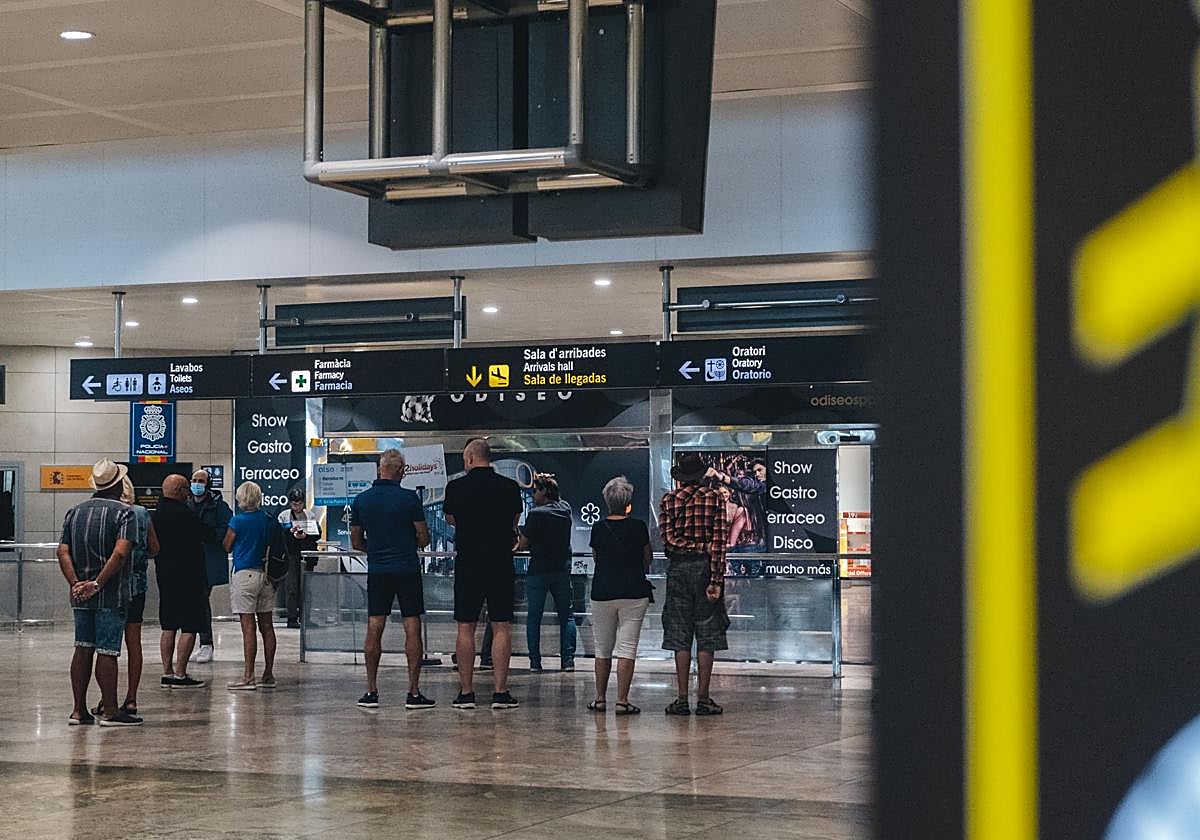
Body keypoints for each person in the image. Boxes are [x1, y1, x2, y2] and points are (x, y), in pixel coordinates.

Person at [55, 459, 140, 726]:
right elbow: (121, 552)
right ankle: (112, 711)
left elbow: (62, 551)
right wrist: (97, 584)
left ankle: (78, 711)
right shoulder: (125, 514)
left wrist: (76, 583)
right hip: (111, 594)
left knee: (82, 648)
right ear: (117, 485)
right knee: (107, 651)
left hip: (80, 595)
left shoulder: (74, 513)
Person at [349, 449, 435, 710]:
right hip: (407, 568)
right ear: (401, 471)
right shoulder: (409, 499)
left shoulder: (362, 501)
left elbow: (355, 540)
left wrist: (374, 549)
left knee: (375, 625)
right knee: (412, 626)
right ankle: (413, 691)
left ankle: (372, 690)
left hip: (378, 570)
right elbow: (424, 537)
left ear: (379, 468)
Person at [442, 438, 523, 710]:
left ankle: (466, 692)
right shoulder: (510, 487)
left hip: (469, 562)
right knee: (501, 625)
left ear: (469, 459)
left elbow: (451, 519)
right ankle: (500, 692)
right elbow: (513, 520)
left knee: (466, 626)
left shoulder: (456, 487)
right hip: (500, 562)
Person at [660, 452, 730, 717]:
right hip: (705, 568)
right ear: (701, 476)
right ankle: (703, 697)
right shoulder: (715, 499)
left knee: (680, 635)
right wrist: (716, 578)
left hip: (677, 570)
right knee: (707, 634)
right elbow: (720, 544)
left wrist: (689, 545)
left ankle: (680, 698)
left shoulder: (669, 500)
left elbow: (668, 541)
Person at [588, 476, 653, 715]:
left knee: (602, 648)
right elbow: (647, 559)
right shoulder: (638, 527)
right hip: (633, 592)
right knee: (627, 647)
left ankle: (600, 698)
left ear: (607, 501)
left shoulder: (597, 528)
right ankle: (622, 700)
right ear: (628, 503)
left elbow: (596, 557)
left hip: (602, 591)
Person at [96, 477, 159, 720]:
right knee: (134, 644)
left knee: (107, 646)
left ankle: (106, 699)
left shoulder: (109, 512)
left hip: (111, 587)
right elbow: (155, 548)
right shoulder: (142, 513)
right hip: (137, 586)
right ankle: (131, 698)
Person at [152, 474, 211, 689]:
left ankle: (167, 671)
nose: (189, 492)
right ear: (179, 491)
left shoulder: (156, 514)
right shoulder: (185, 514)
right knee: (190, 625)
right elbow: (207, 534)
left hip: (165, 576)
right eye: (186, 488)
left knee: (168, 625)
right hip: (189, 577)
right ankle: (180, 673)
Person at [223, 481, 280, 691]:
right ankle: (269, 673)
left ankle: (248, 676)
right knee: (267, 626)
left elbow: (227, 545)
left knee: (248, 628)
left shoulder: (237, 521)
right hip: (266, 576)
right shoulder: (267, 519)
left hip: (244, 574)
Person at [516, 473, 576, 673]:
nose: (533, 495)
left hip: (539, 570)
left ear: (543, 491)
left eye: (535, 490)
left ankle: (535, 662)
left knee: (534, 616)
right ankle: (568, 661)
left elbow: (522, 545)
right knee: (566, 616)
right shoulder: (566, 509)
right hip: (562, 569)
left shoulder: (536, 514)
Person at [187, 468, 232, 663]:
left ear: (208, 484)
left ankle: (206, 643)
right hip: (189, 560)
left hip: (208, 560)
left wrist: (205, 534)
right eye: (194, 480)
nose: (197, 484)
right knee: (193, 602)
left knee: (201, 600)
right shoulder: (187, 504)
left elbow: (223, 531)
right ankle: (196, 642)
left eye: (201, 481)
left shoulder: (219, 506)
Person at [277, 487, 319, 628]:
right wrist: (290, 532)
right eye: (294, 504)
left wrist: (306, 535)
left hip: (307, 555)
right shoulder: (284, 516)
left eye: (299, 504)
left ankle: (306, 618)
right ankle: (292, 618)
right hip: (291, 556)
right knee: (292, 587)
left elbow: (317, 533)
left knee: (307, 588)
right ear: (290, 503)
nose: (297, 507)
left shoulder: (310, 516)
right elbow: (279, 535)